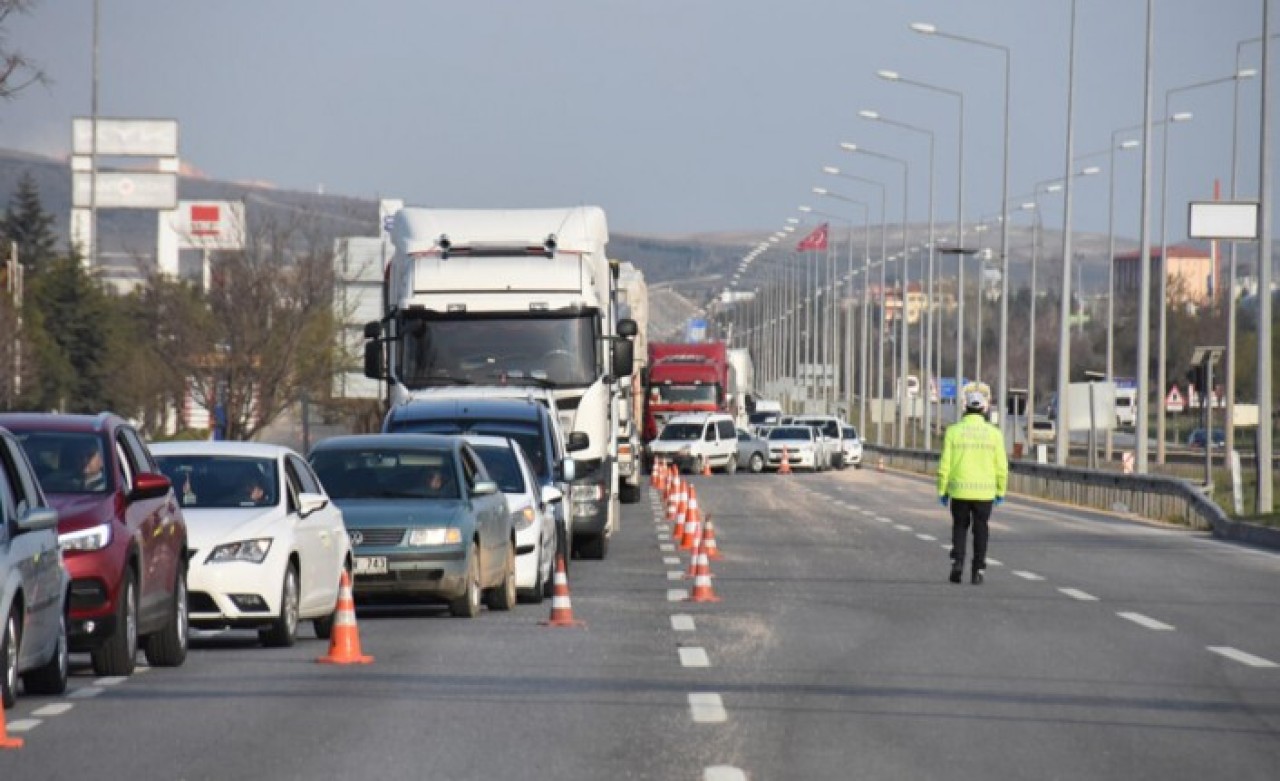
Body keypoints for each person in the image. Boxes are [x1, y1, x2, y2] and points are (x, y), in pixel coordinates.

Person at [936, 389, 1008, 585]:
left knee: (960, 527)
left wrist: (942, 490)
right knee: (981, 529)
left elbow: (945, 465)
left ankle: (957, 562)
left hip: (959, 490)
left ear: (965, 408)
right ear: (984, 409)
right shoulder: (994, 434)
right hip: (985, 493)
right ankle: (978, 568)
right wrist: (1000, 491)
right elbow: (1001, 466)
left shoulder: (953, 432)